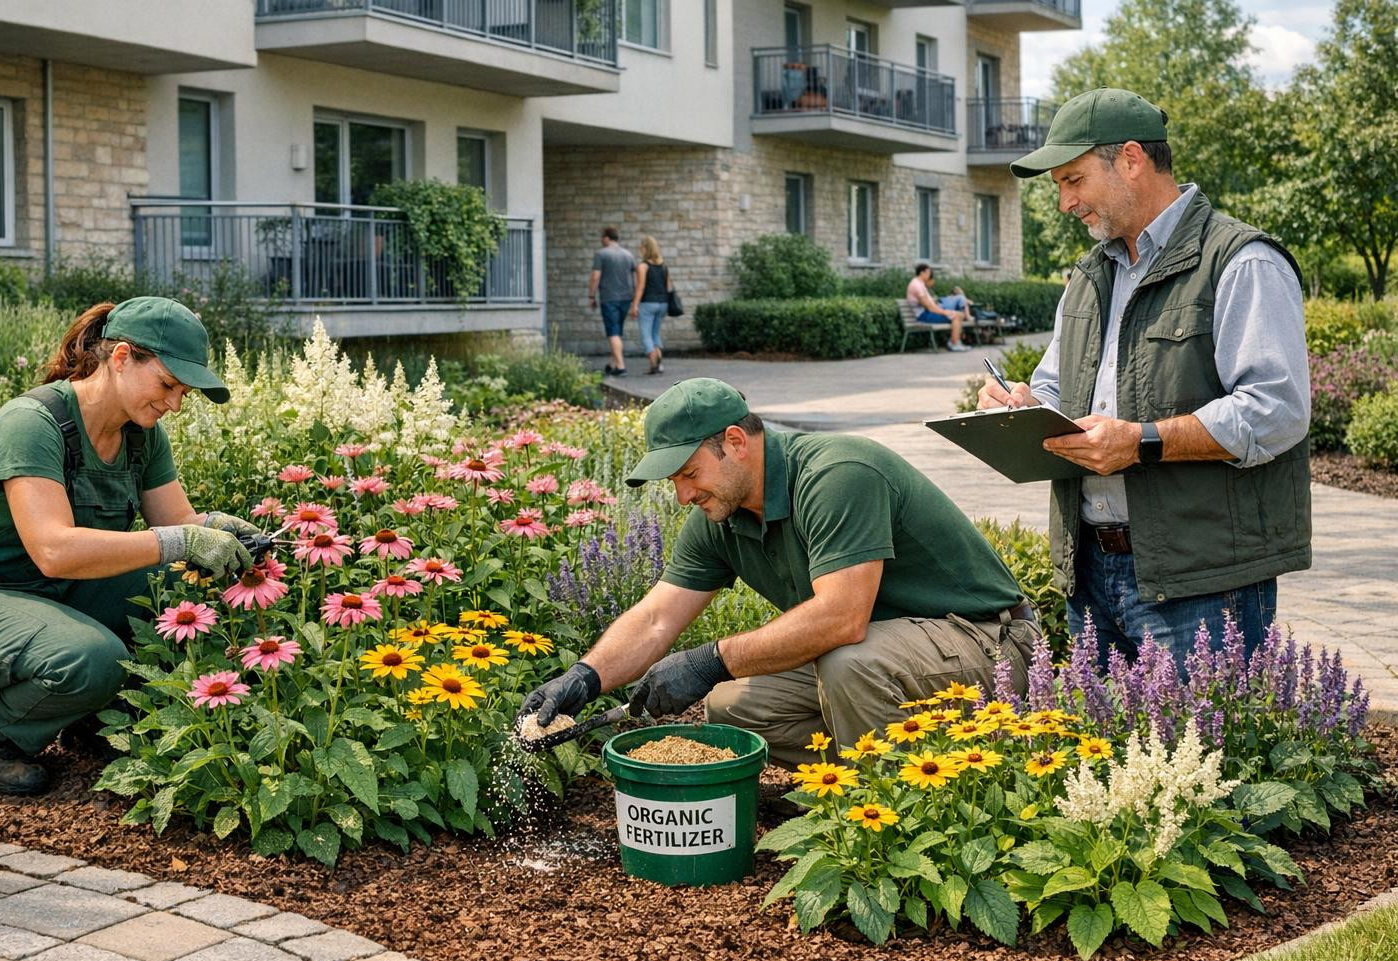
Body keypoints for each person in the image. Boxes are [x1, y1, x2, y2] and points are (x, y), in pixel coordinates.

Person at [521, 378, 1040, 768]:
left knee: (848, 664)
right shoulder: (720, 512)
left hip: (985, 641)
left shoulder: (836, 474)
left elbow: (841, 619)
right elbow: (658, 618)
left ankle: (895, 818)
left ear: (735, 441)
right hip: (888, 654)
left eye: (689, 474)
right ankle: (879, 780)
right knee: (733, 708)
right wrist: (583, 679)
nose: (683, 495)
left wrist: (711, 659)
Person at [978, 88, 1310, 666]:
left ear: (1131, 160)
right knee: (1103, 756)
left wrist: (1142, 442)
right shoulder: (1089, 275)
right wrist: (1025, 404)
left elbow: (1275, 410)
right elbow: (1057, 386)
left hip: (1202, 580)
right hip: (1090, 572)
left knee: (1204, 754)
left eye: (1072, 180)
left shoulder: (1241, 261)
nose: (1064, 203)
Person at [0, 297, 265, 795]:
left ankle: (91, 713)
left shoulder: (142, 435)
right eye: (167, 384)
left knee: (187, 587)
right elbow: (55, 549)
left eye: (184, 392)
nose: (175, 403)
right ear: (120, 358)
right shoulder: (33, 423)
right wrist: (181, 540)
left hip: (51, 597)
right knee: (94, 658)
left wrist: (219, 529)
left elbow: (177, 523)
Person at [588, 226, 638, 377]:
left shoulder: (601, 254)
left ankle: (621, 367)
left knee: (613, 332)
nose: (601, 240)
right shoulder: (628, 255)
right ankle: (612, 363)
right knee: (617, 331)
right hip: (626, 298)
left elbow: (595, 276)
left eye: (602, 237)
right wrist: (634, 299)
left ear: (607, 238)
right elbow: (634, 278)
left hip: (609, 298)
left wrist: (591, 296)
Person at [630, 235, 671, 375]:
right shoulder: (663, 265)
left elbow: (640, 288)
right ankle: (660, 365)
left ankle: (653, 365)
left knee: (646, 335)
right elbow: (668, 286)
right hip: (663, 304)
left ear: (645, 248)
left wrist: (634, 305)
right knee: (654, 334)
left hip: (648, 304)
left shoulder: (643, 266)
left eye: (641, 247)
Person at [906, 263, 971, 352]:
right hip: (924, 315)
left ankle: (955, 342)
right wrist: (947, 312)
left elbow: (929, 304)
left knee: (959, 314)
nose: (930, 275)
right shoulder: (916, 285)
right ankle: (954, 343)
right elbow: (929, 308)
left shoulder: (919, 284)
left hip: (928, 313)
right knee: (957, 316)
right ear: (922, 272)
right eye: (928, 272)